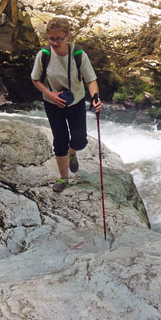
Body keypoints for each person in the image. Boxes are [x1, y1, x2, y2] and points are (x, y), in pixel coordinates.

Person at [31, 17, 103, 192]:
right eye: (51, 39)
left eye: (59, 39)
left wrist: (96, 98)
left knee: (80, 140)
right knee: (60, 140)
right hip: (52, 103)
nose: (54, 43)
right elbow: (35, 79)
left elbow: (91, 80)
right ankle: (63, 179)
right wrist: (50, 94)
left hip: (76, 102)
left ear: (68, 36)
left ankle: (73, 153)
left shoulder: (78, 55)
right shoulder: (44, 55)